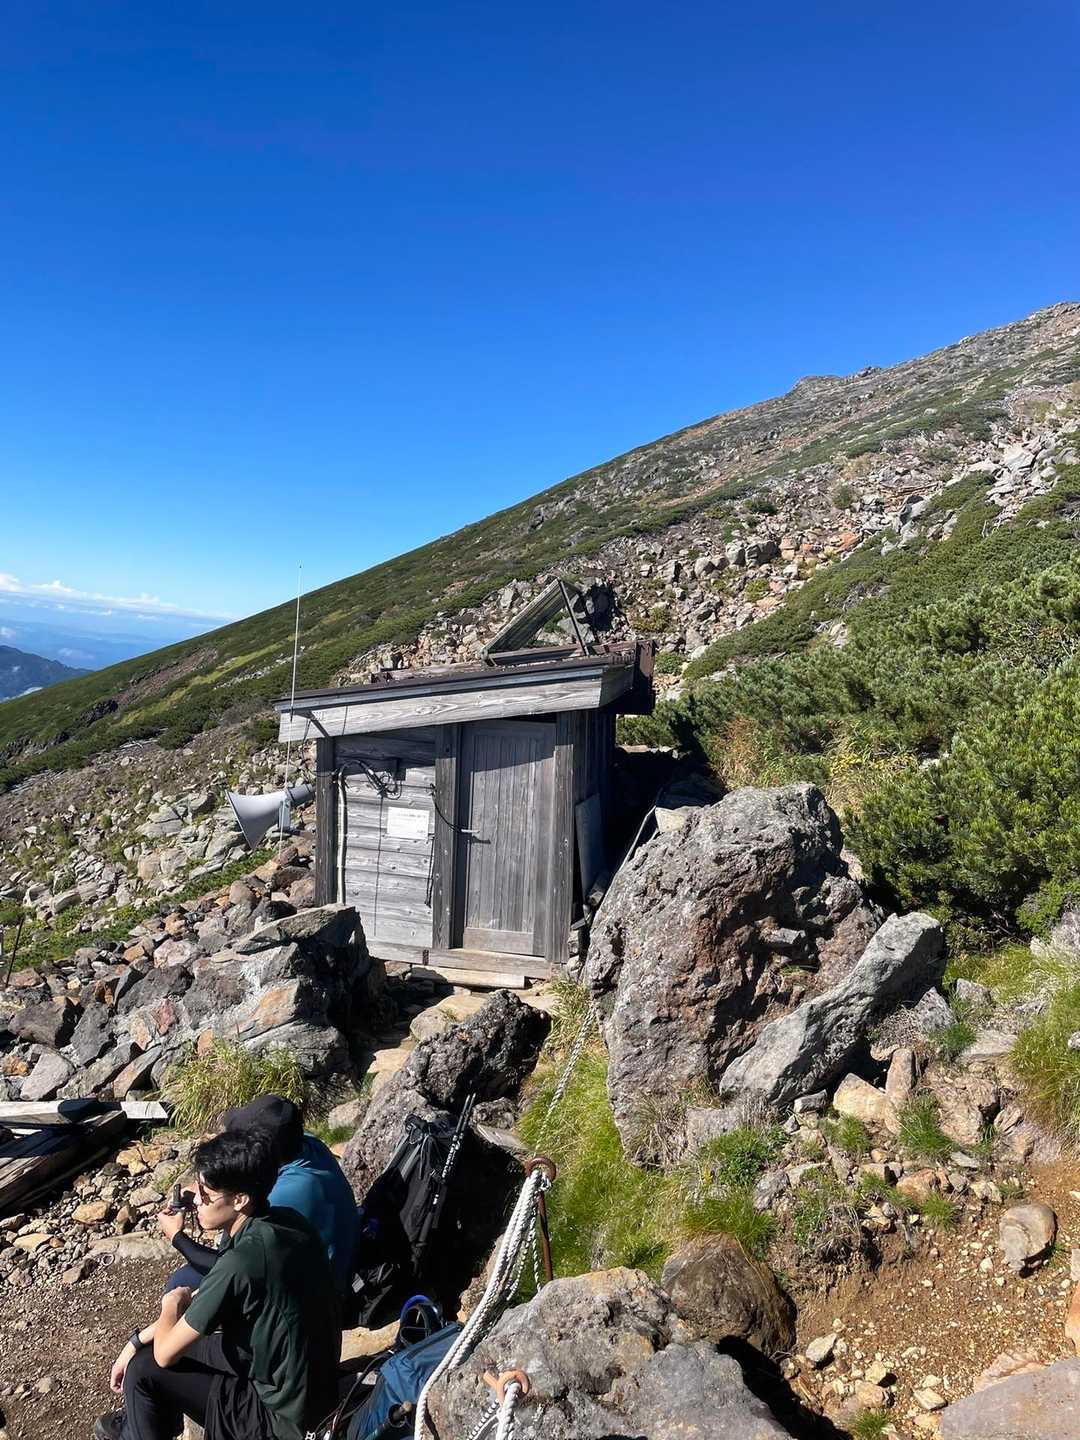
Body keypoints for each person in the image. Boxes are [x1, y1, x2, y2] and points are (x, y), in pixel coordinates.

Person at [97, 1126, 341, 1440]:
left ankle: (141, 1429)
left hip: (278, 1420)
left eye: (206, 1194)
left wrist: (170, 1304)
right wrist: (134, 1341)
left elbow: (164, 1354)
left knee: (144, 1369)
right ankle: (146, 1425)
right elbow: (211, 1294)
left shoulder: (241, 1262)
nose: (197, 1201)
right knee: (158, 1350)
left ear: (240, 1199)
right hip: (311, 1388)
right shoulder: (287, 1222)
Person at [161, 1095, 359, 1296]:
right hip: (317, 1263)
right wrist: (205, 1189)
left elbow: (235, 1268)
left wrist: (177, 1237)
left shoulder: (284, 1194)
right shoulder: (304, 1143)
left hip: (313, 1294)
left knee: (182, 1283)